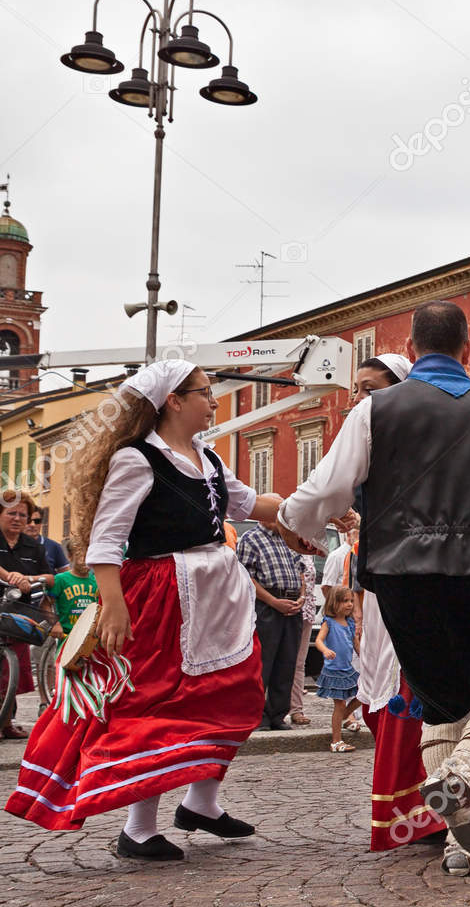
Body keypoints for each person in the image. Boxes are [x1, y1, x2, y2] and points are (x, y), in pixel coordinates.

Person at [278, 305, 470, 875]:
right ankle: (459, 778)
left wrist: (295, 525)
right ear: (468, 350)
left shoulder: (376, 411)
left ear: (411, 351)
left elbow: (327, 488)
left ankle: (461, 839)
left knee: (438, 700)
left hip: (400, 580)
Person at [6, 360, 289, 860]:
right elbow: (106, 541)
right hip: (158, 597)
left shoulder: (208, 458)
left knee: (237, 695)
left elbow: (251, 506)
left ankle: (202, 804)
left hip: (215, 598)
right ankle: (138, 829)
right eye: (205, 392)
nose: (214, 401)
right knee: (153, 705)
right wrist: (113, 607)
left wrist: (318, 506)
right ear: (174, 401)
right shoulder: (138, 460)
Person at [236, 517, 307, 731]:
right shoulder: (250, 539)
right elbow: (246, 577)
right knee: (263, 662)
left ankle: (277, 715)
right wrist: (274, 602)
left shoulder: (288, 538)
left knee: (287, 663)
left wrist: (301, 597)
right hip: (267, 604)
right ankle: (257, 716)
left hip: (292, 604)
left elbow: (301, 571)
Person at [0, 491, 53, 738]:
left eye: (23, 514)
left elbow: (50, 576)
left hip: (19, 612)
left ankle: (6, 723)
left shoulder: (33, 545)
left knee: (14, 671)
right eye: (11, 512)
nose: (18, 518)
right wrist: (9, 576)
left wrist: (27, 578)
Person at [316, 586, 361, 753]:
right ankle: (336, 740)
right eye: (345, 601)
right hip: (334, 670)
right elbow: (319, 640)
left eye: (351, 601)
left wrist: (365, 657)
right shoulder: (329, 622)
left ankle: (343, 718)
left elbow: (356, 644)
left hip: (347, 669)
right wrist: (325, 650)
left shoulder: (349, 623)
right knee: (340, 704)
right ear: (334, 603)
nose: (349, 604)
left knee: (362, 695)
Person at [287, 553, 318, 726]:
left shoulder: (307, 551)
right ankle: (268, 710)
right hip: (285, 610)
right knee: (277, 661)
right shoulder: (284, 546)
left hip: (306, 612)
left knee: (299, 663)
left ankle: (296, 709)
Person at [47, 543, 97, 637]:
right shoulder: (60, 579)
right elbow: (45, 604)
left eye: (88, 555)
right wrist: (55, 624)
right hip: (67, 635)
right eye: (79, 556)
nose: (84, 561)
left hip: (90, 636)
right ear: (70, 556)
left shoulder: (97, 581)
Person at [25, 508, 69, 573]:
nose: (33, 525)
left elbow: (65, 574)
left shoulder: (54, 546)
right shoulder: (13, 545)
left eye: (37, 521)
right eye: (28, 521)